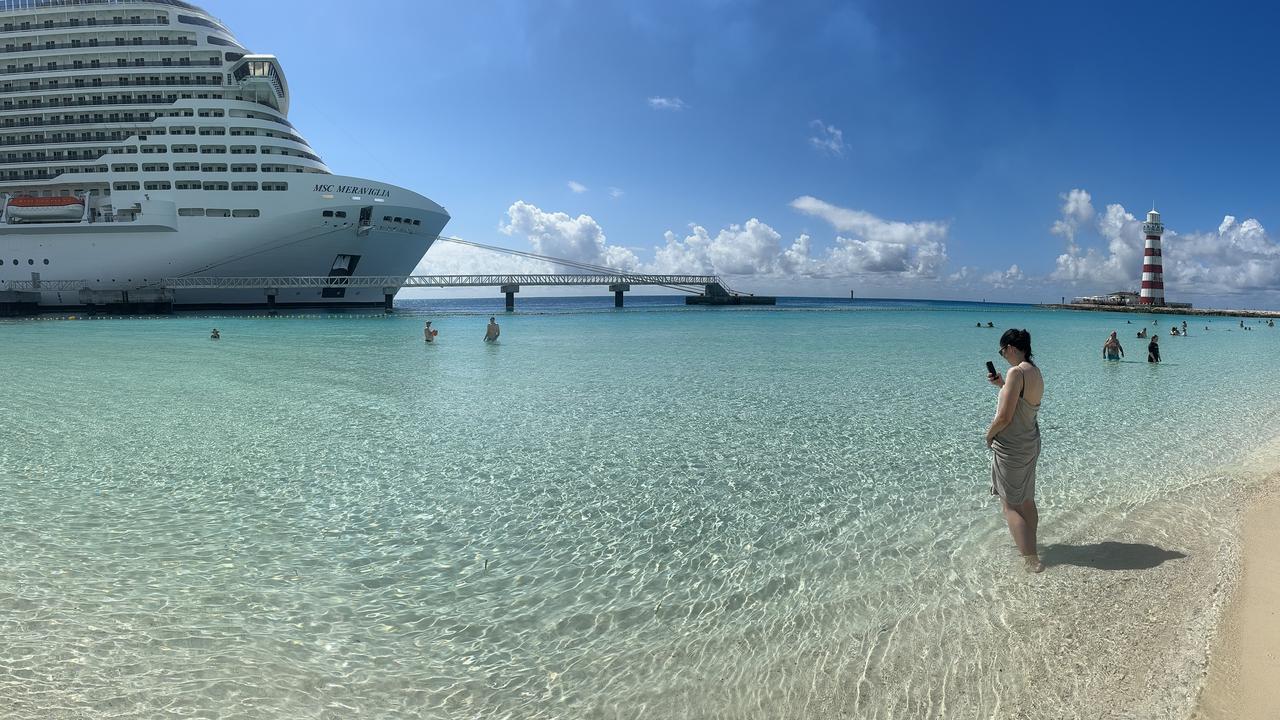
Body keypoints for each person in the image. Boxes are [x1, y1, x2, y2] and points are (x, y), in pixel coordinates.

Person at [985, 328, 1044, 573]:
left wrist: (988, 436)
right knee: (1027, 500)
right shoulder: (1034, 371)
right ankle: (1031, 545)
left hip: (1012, 446)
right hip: (1030, 441)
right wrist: (1002, 385)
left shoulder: (1016, 372)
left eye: (1002, 351)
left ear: (1010, 347)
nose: (1002, 356)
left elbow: (1004, 417)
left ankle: (1031, 560)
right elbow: (1022, 405)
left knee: (1010, 506)